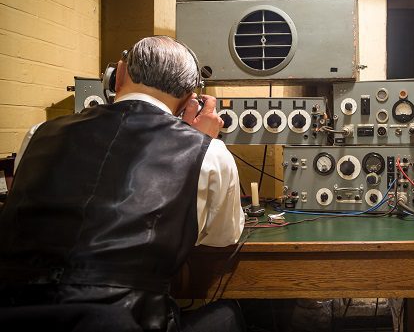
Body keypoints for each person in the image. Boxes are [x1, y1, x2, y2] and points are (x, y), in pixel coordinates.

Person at [0, 36, 245, 332]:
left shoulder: (39, 133)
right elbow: (223, 238)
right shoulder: (209, 152)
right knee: (230, 314)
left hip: (15, 312)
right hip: (127, 320)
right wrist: (200, 140)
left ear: (118, 75)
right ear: (190, 99)